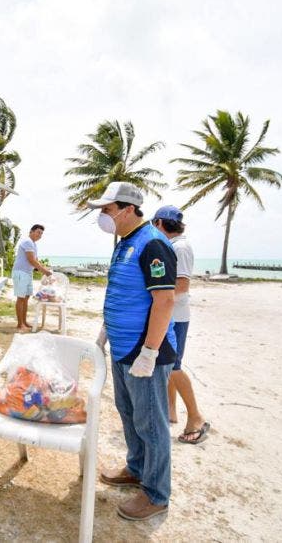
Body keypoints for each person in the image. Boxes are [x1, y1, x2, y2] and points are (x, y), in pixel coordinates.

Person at [89, 182, 178, 521]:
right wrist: (106, 330)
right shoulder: (125, 242)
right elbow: (125, 293)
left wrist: (150, 351)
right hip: (123, 346)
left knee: (151, 422)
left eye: (107, 210)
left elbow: (165, 299)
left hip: (146, 351)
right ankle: (137, 468)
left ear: (127, 209)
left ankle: (156, 493)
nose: (102, 216)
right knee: (128, 412)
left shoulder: (153, 243)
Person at [152, 206, 210, 444]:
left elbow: (182, 285)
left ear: (159, 223)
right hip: (172, 313)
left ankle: (196, 417)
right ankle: (171, 411)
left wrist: (155, 299)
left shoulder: (180, 247)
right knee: (168, 367)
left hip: (175, 315)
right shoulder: (174, 246)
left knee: (173, 366)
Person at [12, 224, 52, 332]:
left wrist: (44, 269)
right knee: (20, 298)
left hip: (28, 273)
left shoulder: (33, 244)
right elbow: (31, 260)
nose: (40, 235)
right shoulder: (27, 242)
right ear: (31, 231)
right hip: (21, 272)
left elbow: (36, 261)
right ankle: (20, 324)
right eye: (38, 232)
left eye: (41, 233)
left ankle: (24, 322)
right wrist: (45, 271)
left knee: (26, 298)